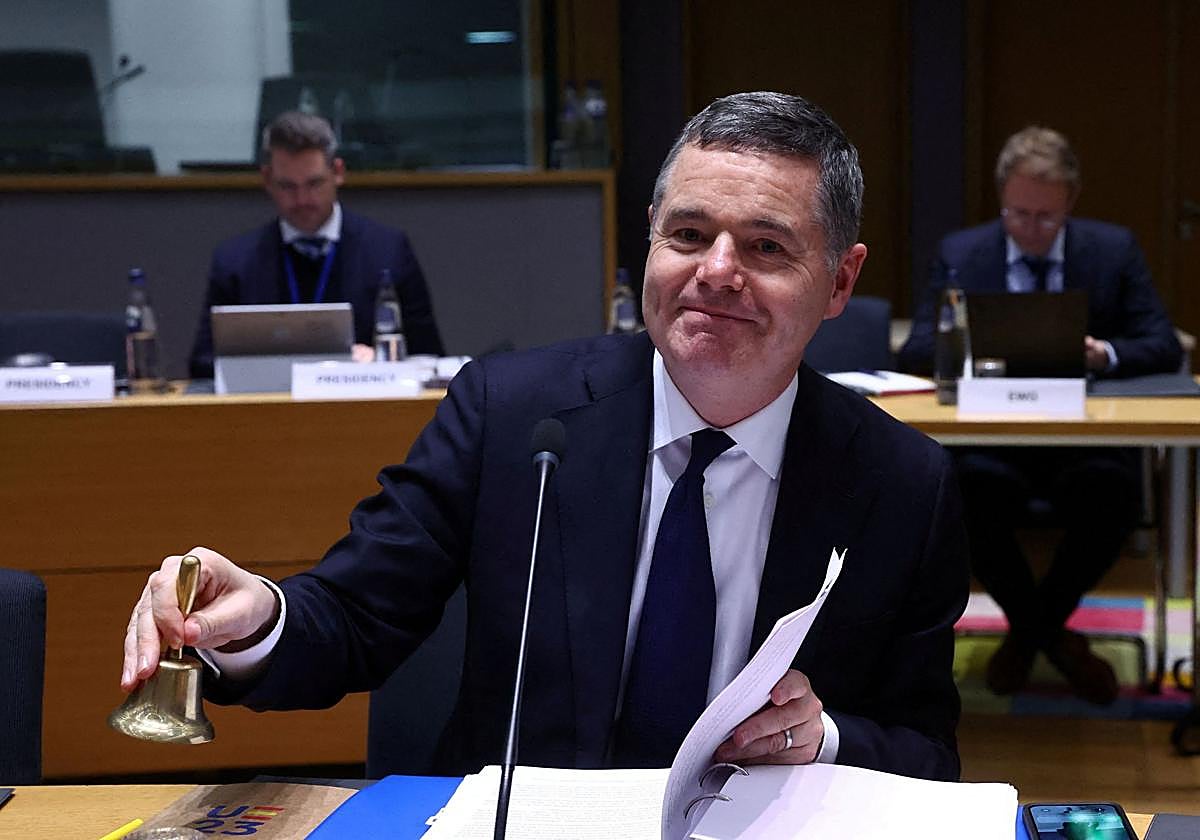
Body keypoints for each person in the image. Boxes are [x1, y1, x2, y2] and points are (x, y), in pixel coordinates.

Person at [123, 92, 969, 781]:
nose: (715, 270)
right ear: (649, 237)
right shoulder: (512, 413)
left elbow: (925, 751)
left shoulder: (903, 482)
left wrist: (820, 739)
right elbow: (352, 615)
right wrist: (255, 617)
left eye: (765, 245)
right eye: (687, 234)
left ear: (840, 281)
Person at [899, 126, 1182, 705]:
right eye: (1018, 213)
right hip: (992, 444)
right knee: (960, 494)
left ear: (1070, 204)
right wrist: (973, 348)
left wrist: (1102, 352)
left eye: (1045, 218)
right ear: (1002, 198)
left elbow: (1163, 344)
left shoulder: (1112, 249)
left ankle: (1029, 634)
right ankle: (1051, 637)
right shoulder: (963, 253)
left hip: (1086, 444)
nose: (1030, 229)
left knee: (1114, 494)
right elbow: (916, 350)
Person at [187, 111, 444, 379]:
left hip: (361, 408)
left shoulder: (388, 250)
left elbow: (428, 354)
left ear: (338, 173)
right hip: (270, 412)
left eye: (314, 184)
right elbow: (202, 364)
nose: (302, 200)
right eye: (287, 186)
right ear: (267, 180)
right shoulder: (235, 261)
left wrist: (381, 361)